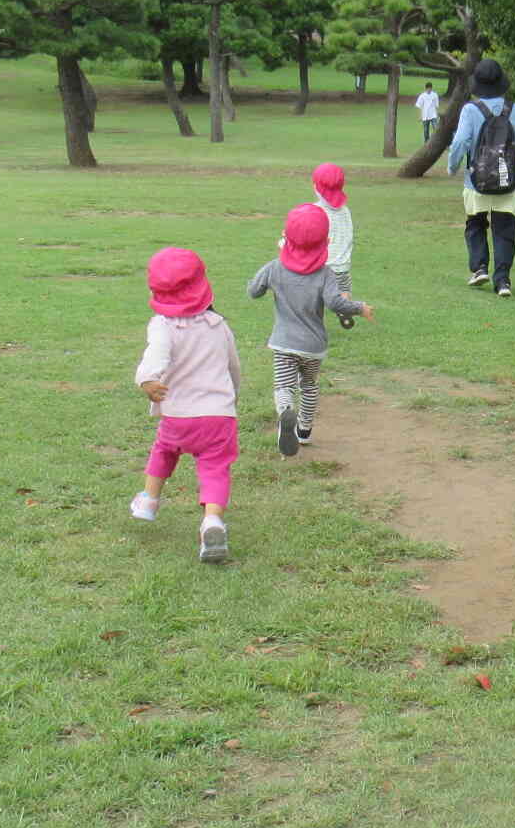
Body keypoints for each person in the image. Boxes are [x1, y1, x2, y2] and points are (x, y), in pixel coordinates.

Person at [131, 247, 240, 564]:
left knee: (164, 450)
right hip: (219, 416)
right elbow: (233, 367)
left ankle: (149, 500)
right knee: (215, 468)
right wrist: (232, 396)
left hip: (179, 416)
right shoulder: (219, 325)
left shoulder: (162, 326)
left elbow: (155, 357)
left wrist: (147, 380)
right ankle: (213, 521)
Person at [247, 204, 372, 456]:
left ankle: (285, 413)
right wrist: (360, 308)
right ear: (327, 240)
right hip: (314, 346)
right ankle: (304, 430)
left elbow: (253, 291)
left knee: (284, 386)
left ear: (285, 236)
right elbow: (336, 303)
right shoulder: (325, 274)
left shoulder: (274, 268)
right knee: (309, 385)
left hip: (283, 343)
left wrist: (262, 282)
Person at [446, 56, 515, 298]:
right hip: (508, 179)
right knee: (505, 229)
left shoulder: (470, 110)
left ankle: (480, 267)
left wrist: (452, 166)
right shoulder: (513, 109)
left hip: (476, 180)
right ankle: (503, 281)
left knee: (475, 223)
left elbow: (460, 142)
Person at [308, 161, 356, 315]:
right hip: (342, 265)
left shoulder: (314, 211)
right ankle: (345, 312)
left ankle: (313, 317)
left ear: (316, 187)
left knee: (315, 293)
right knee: (343, 289)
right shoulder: (345, 211)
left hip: (320, 266)